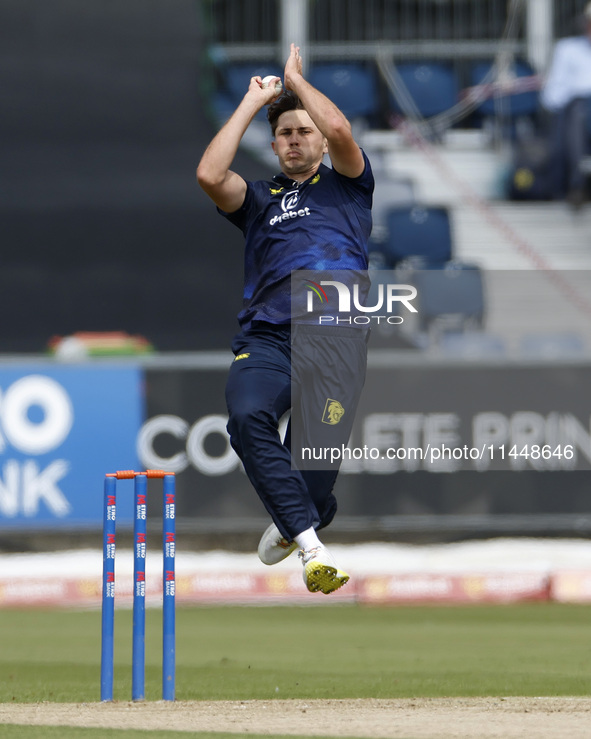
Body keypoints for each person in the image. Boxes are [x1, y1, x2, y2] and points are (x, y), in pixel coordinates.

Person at [197, 44, 374, 594]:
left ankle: (300, 519)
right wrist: (254, 103)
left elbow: (342, 130)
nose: (295, 139)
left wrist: (296, 81)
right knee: (246, 416)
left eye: (303, 131)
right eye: (285, 134)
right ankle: (312, 548)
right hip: (269, 338)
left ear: (318, 140)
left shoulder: (348, 184)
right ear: (273, 145)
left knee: (314, 488)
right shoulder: (257, 198)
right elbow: (208, 173)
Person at [540, 2, 591, 208]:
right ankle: (576, 185)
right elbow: (553, 94)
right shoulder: (567, 48)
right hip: (577, 107)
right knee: (576, 116)